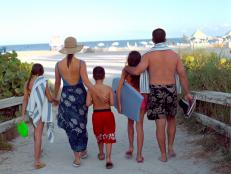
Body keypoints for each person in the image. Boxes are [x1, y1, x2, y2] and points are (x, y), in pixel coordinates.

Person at [124, 28, 193, 162]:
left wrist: (126, 68)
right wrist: (187, 93)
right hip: (171, 90)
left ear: (153, 39)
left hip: (156, 91)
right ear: (165, 38)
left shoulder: (148, 55)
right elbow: (182, 74)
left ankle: (163, 155)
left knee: (160, 124)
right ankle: (171, 147)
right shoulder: (174, 55)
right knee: (171, 119)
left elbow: (137, 71)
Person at [54, 36, 106, 167]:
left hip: (66, 98)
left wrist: (55, 97)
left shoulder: (58, 65)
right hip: (80, 96)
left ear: (65, 49)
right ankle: (82, 150)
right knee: (81, 124)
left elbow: (56, 83)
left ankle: (77, 157)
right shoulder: (81, 63)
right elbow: (87, 82)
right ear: (75, 49)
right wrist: (99, 94)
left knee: (71, 126)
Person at [21, 63, 54, 169]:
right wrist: (53, 99)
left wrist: (22, 114)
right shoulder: (42, 82)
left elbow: (25, 99)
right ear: (41, 72)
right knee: (38, 135)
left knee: (36, 133)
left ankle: (38, 151)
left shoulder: (27, 83)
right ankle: (37, 162)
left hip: (31, 111)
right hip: (39, 111)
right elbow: (49, 98)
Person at [117, 51, 147, 163]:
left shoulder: (126, 70)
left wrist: (119, 103)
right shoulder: (143, 70)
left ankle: (131, 147)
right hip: (141, 101)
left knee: (130, 123)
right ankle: (139, 155)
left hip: (130, 101)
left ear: (129, 60)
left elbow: (119, 87)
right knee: (139, 126)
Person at [86, 66, 116, 169]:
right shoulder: (108, 89)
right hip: (107, 114)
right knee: (108, 136)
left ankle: (101, 153)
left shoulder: (91, 89)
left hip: (97, 115)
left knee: (99, 135)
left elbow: (87, 103)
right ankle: (108, 159)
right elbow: (112, 103)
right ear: (103, 76)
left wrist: (94, 99)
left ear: (94, 77)